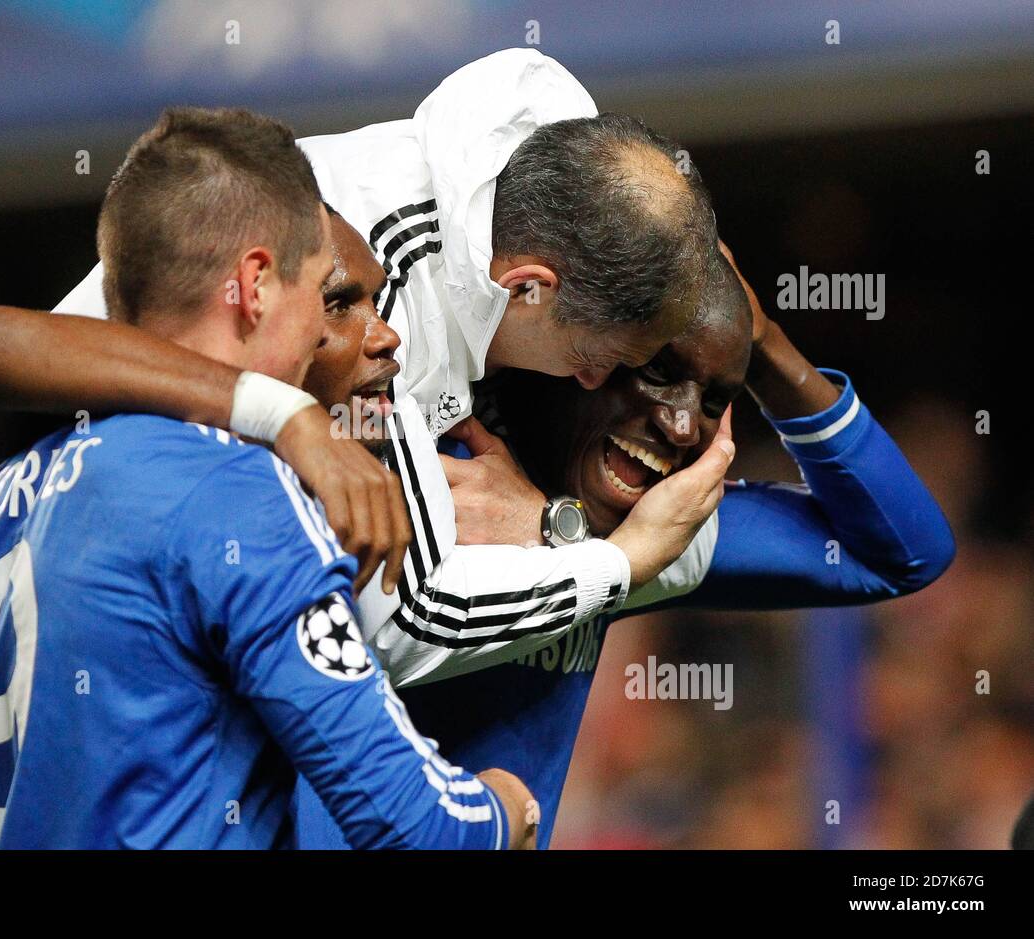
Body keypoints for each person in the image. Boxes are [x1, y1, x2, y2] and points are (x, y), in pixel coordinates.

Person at [0, 107, 536, 850]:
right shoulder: (238, 496)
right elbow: (413, 826)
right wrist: (501, 808)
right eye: (320, 289)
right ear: (256, 285)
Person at [0, 51, 730, 684]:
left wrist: (566, 530)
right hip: (21, 589)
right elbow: (403, 622)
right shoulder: (382, 300)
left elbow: (690, 543)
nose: (592, 385)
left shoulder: (535, 192)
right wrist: (613, 563)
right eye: (595, 360)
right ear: (527, 288)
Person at [294, 247, 956, 847]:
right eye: (659, 368)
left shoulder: (636, 536)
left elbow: (903, 552)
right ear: (585, 352)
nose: (678, 420)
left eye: (716, 398)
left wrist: (765, 342)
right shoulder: (422, 472)